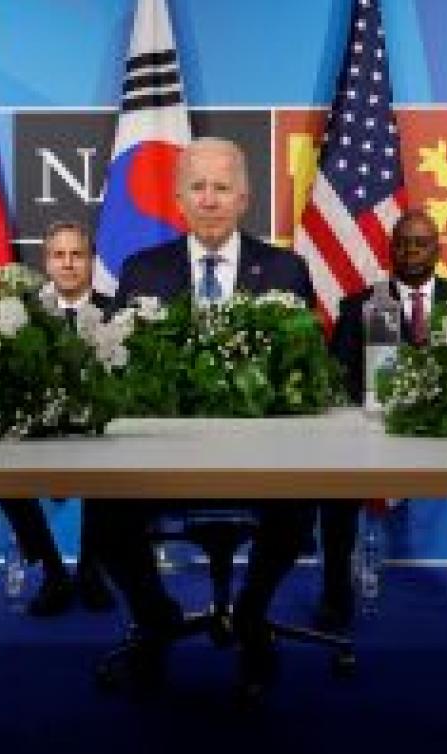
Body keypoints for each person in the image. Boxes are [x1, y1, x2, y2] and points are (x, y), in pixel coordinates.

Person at [89, 137, 318, 703]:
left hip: (262, 453)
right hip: (161, 452)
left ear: (244, 198)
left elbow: (308, 376)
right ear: (178, 199)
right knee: (103, 511)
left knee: (300, 499)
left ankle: (251, 616)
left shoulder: (286, 270)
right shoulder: (142, 271)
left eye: (221, 188)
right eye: (198, 187)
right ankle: (156, 615)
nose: (210, 200)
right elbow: (118, 369)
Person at [326, 210, 447, 631]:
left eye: (421, 243)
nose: (411, 251)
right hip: (378, 431)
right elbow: (338, 375)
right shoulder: (361, 305)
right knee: (336, 486)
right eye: (402, 243)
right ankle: (334, 591)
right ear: (390, 248)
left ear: (438, 250)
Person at [23, 220, 115, 615]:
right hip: (39, 427)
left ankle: (93, 569)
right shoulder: (23, 314)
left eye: (77, 255)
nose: (68, 264)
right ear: (46, 263)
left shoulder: (117, 312)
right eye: (59, 255)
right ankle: (51, 569)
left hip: (100, 427)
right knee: (2, 471)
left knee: (111, 462)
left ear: (91, 261)